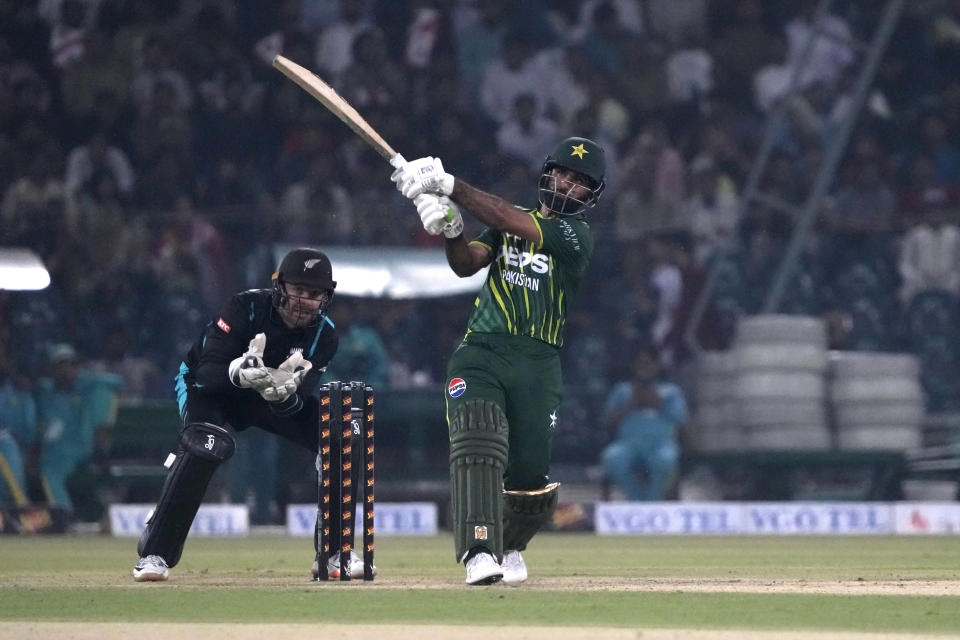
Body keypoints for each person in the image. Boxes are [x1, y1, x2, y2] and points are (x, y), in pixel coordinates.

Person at [390, 136, 606, 585]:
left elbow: (507, 216)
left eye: (579, 182)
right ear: (547, 173)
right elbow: (466, 265)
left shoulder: (576, 236)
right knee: (478, 439)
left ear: (591, 195)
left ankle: (509, 546)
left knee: (529, 476)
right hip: (482, 351)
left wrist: (450, 185)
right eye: (562, 173)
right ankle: (478, 551)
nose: (566, 185)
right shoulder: (509, 223)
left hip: (538, 363)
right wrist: (452, 231)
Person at [132, 248, 374, 582]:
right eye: (297, 291)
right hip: (211, 389)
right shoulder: (243, 307)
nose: (305, 301)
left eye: (314, 294)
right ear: (279, 287)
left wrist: (285, 396)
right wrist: (238, 372)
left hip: (263, 397)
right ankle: (155, 553)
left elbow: (301, 400)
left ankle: (333, 553)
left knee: (340, 437)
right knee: (206, 445)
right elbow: (205, 373)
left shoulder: (325, 335)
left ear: (326, 297)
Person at [600, 345, 689, 501]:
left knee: (665, 460)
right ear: (633, 366)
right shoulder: (622, 390)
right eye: (640, 364)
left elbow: (681, 419)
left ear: (657, 366)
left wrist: (659, 403)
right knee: (612, 457)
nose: (644, 368)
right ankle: (635, 500)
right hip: (629, 445)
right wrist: (631, 405)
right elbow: (608, 420)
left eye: (649, 364)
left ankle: (652, 501)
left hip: (661, 445)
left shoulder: (671, 391)